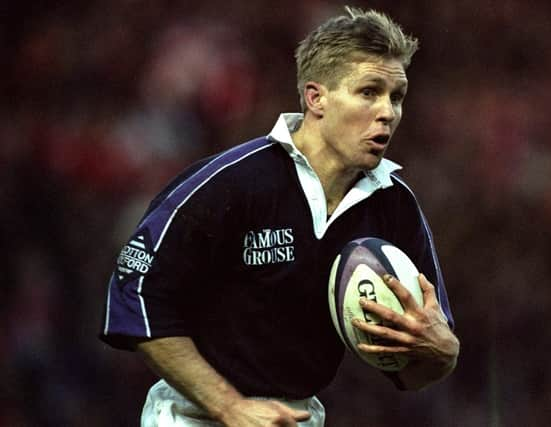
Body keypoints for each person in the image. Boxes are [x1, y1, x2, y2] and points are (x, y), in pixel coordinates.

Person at [100, 6, 459, 426]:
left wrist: (445, 353)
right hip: (192, 414)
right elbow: (136, 296)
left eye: (396, 97)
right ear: (316, 97)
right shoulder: (232, 182)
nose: (387, 112)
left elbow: (415, 371)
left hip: (296, 417)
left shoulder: (395, 206)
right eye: (369, 92)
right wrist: (230, 408)